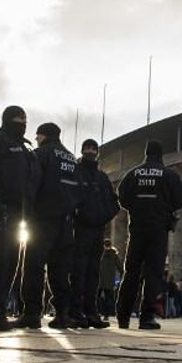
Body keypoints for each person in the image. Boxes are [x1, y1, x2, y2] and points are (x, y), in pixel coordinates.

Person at [0, 106, 40, 331]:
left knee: (11, 262)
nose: (22, 122)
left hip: (17, 213)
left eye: (24, 118)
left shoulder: (25, 148)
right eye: (17, 118)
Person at [14, 123, 81, 330]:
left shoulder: (40, 154)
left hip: (43, 219)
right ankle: (62, 313)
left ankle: (32, 313)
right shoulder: (71, 158)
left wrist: (25, 215)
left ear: (42, 135)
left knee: (34, 266)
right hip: (66, 221)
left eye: (37, 137)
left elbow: (30, 185)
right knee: (60, 270)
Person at [115, 139, 182, 329]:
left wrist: (137, 208)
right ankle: (146, 317)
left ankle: (123, 316)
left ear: (146, 154)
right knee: (153, 273)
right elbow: (181, 198)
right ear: (161, 154)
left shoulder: (133, 174)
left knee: (131, 273)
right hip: (158, 230)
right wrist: (164, 207)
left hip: (137, 228)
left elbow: (122, 197)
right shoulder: (169, 175)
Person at [71, 139, 120, 328]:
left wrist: (102, 217)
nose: (90, 151)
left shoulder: (102, 177)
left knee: (93, 273)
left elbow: (113, 202)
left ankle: (91, 312)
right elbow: (70, 197)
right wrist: (79, 214)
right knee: (78, 271)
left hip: (97, 230)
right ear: (82, 150)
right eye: (87, 148)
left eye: (93, 148)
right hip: (80, 229)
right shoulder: (76, 172)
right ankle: (76, 311)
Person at [98, 239, 123, 320]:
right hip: (110, 280)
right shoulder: (114, 255)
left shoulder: (100, 253)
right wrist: (123, 274)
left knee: (96, 296)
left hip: (99, 279)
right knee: (108, 298)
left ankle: (96, 312)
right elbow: (120, 267)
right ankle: (106, 315)